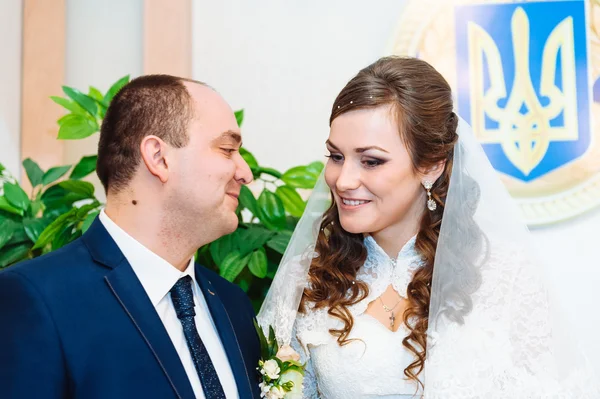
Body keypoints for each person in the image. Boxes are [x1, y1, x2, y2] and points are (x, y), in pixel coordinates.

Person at [258, 56, 598, 398]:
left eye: (371, 161)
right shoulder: (308, 277)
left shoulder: (504, 276)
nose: (343, 180)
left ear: (432, 165)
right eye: (336, 156)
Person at [0, 75, 261, 399]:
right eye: (228, 149)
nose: (245, 172)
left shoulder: (233, 304)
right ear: (158, 157)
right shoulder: (37, 299)